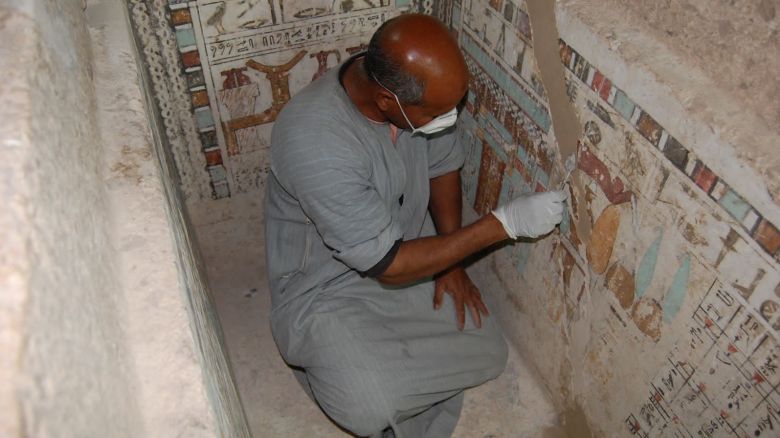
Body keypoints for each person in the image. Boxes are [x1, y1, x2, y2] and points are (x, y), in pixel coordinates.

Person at [264, 13, 566, 438]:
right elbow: (389, 264)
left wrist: (448, 262)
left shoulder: (414, 101)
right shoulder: (314, 139)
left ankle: (367, 357)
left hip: (408, 246)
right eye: (438, 112)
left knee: (489, 350)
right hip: (325, 285)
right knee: (370, 407)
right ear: (388, 102)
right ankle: (341, 360)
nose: (450, 118)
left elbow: (444, 167)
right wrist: (503, 224)